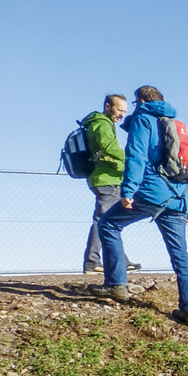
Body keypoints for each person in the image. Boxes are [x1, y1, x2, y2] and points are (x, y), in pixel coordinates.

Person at [93, 86, 188, 327]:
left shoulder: (143, 119)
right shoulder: (179, 125)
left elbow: (136, 155)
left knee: (108, 224)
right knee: (181, 256)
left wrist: (128, 190)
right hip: (179, 199)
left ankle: (116, 285)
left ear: (140, 101)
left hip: (152, 193)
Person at [78, 94, 141, 274]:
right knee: (104, 221)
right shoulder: (102, 123)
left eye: (124, 111)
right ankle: (92, 262)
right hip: (108, 179)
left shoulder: (101, 122)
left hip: (106, 178)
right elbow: (108, 146)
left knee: (109, 221)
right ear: (108, 106)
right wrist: (130, 158)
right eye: (119, 109)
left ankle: (121, 260)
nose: (122, 114)